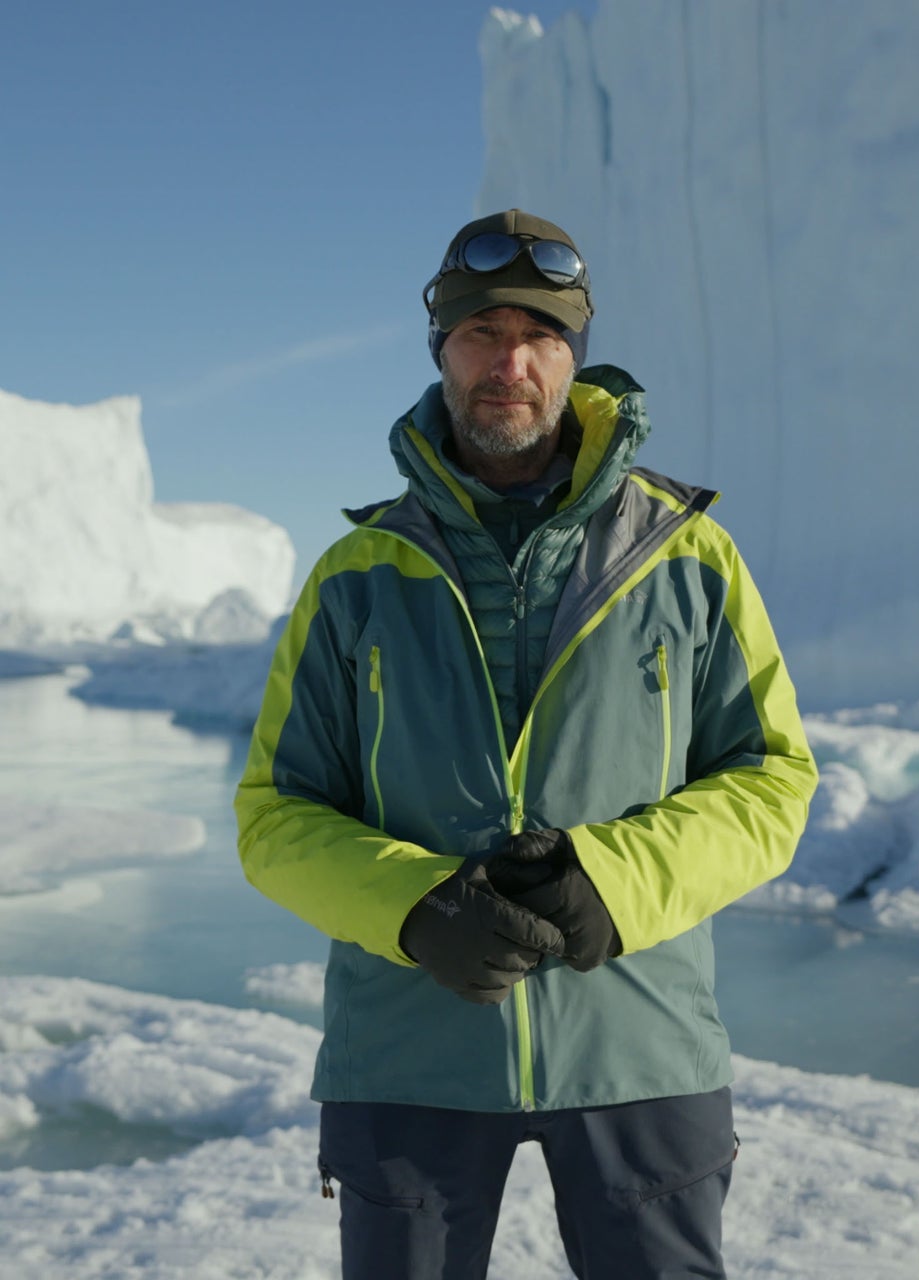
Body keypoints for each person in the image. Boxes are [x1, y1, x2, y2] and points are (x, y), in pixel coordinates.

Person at [235, 208, 818, 1279]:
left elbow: (773, 777)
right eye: (479, 333)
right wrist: (411, 906)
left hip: (640, 1046)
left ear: (574, 357)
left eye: (539, 335)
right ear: (439, 352)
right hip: (408, 1054)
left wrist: (616, 879)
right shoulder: (355, 573)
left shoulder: (687, 555)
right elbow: (274, 811)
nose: (509, 361)